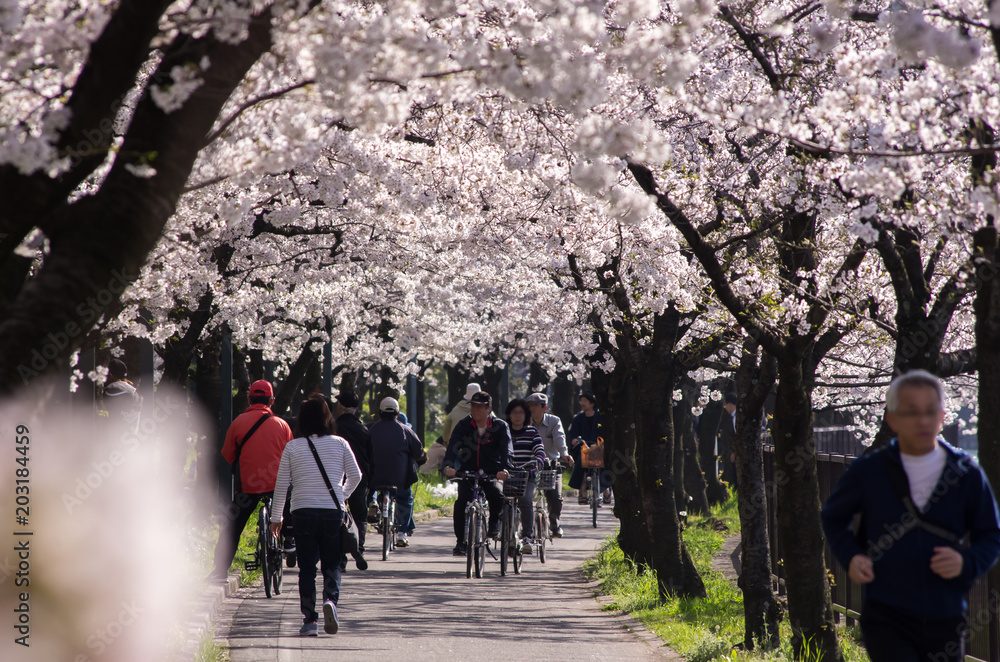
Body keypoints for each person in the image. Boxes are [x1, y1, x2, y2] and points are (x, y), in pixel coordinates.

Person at [821, 370, 1000, 662]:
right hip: (886, 612)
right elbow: (832, 517)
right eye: (911, 412)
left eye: (930, 412)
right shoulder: (869, 471)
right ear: (892, 419)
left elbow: (991, 534)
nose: (922, 420)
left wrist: (966, 561)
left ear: (943, 416)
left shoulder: (966, 473)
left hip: (946, 612)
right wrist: (851, 556)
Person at [270, 396, 361, 637]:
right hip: (332, 512)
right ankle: (331, 600)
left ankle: (310, 620)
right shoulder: (340, 443)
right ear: (327, 418)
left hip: (302, 511)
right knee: (332, 562)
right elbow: (356, 475)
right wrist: (341, 494)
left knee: (307, 567)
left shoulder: (293, 446)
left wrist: (275, 517)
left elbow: (282, 485)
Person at [209, 380, 293, 582]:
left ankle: (220, 571)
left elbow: (228, 455)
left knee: (232, 525)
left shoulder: (238, 422)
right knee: (288, 501)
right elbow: (292, 455)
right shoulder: (282, 425)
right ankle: (290, 538)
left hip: (248, 487)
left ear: (249, 398)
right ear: (271, 401)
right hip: (276, 485)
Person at [443, 391, 513, 556]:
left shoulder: (500, 426)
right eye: (473, 406)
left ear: (489, 408)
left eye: (479, 407)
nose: (475, 410)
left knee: (496, 493)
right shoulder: (463, 425)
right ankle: (461, 542)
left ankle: (494, 522)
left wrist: (504, 469)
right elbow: (453, 447)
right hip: (468, 472)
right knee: (461, 503)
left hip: (492, 473)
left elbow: (507, 451)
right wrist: (448, 466)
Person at [368, 397, 426, 548]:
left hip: (375, 476)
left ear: (380, 413)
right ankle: (402, 533)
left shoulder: (371, 429)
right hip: (399, 479)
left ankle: (372, 502)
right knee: (406, 498)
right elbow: (418, 452)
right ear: (397, 412)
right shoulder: (405, 430)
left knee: (370, 486)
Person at [333, 392, 375, 564]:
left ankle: (340, 556)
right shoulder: (364, 430)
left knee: (337, 514)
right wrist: (369, 483)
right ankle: (359, 548)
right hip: (359, 477)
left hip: (336, 477)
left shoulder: (333, 428)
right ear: (356, 409)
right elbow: (371, 459)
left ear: (340, 406)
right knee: (360, 515)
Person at [526, 392, 572, 537]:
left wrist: (564, 454)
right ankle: (523, 528)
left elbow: (559, 438)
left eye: (535, 405)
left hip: (550, 466)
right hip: (529, 467)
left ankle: (554, 522)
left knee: (555, 498)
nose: (531, 408)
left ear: (544, 407)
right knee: (522, 498)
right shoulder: (523, 421)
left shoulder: (554, 421)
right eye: (529, 405)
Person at [506, 398, 546, 554]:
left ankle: (527, 536)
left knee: (526, 501)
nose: (517, 416)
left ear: (526, 415)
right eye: (514, 412)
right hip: (507, 475)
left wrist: (539, 460)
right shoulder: (504, 431)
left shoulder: (532, 431)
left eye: (521, 412)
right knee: (502, 502)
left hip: (527, 476)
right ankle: (504, 533)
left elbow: (539, 449)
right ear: (509, 415)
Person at [568, 392, 608, 504]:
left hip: (600, 448)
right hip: (584, 448)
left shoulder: (601, 417)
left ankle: (606, 490)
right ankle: (583, 491)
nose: (582, 403)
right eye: (581, 401)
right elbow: (573, 434)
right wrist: (574, 440)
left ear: (592, 403)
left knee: (604, 464)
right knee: (582, 462)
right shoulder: (578, 418)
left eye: (585, 400)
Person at [102, 358, 143, 434]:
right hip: (132, 442)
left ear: (110, 376)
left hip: (112, 441)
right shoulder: (136, 396)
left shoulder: (110, 394)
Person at [719, 392, 737, 487]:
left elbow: (738, 436)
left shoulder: (736, 418)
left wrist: (734, 452)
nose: (725, 408)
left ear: (730, 404)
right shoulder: (734, 417)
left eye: (725, 405)